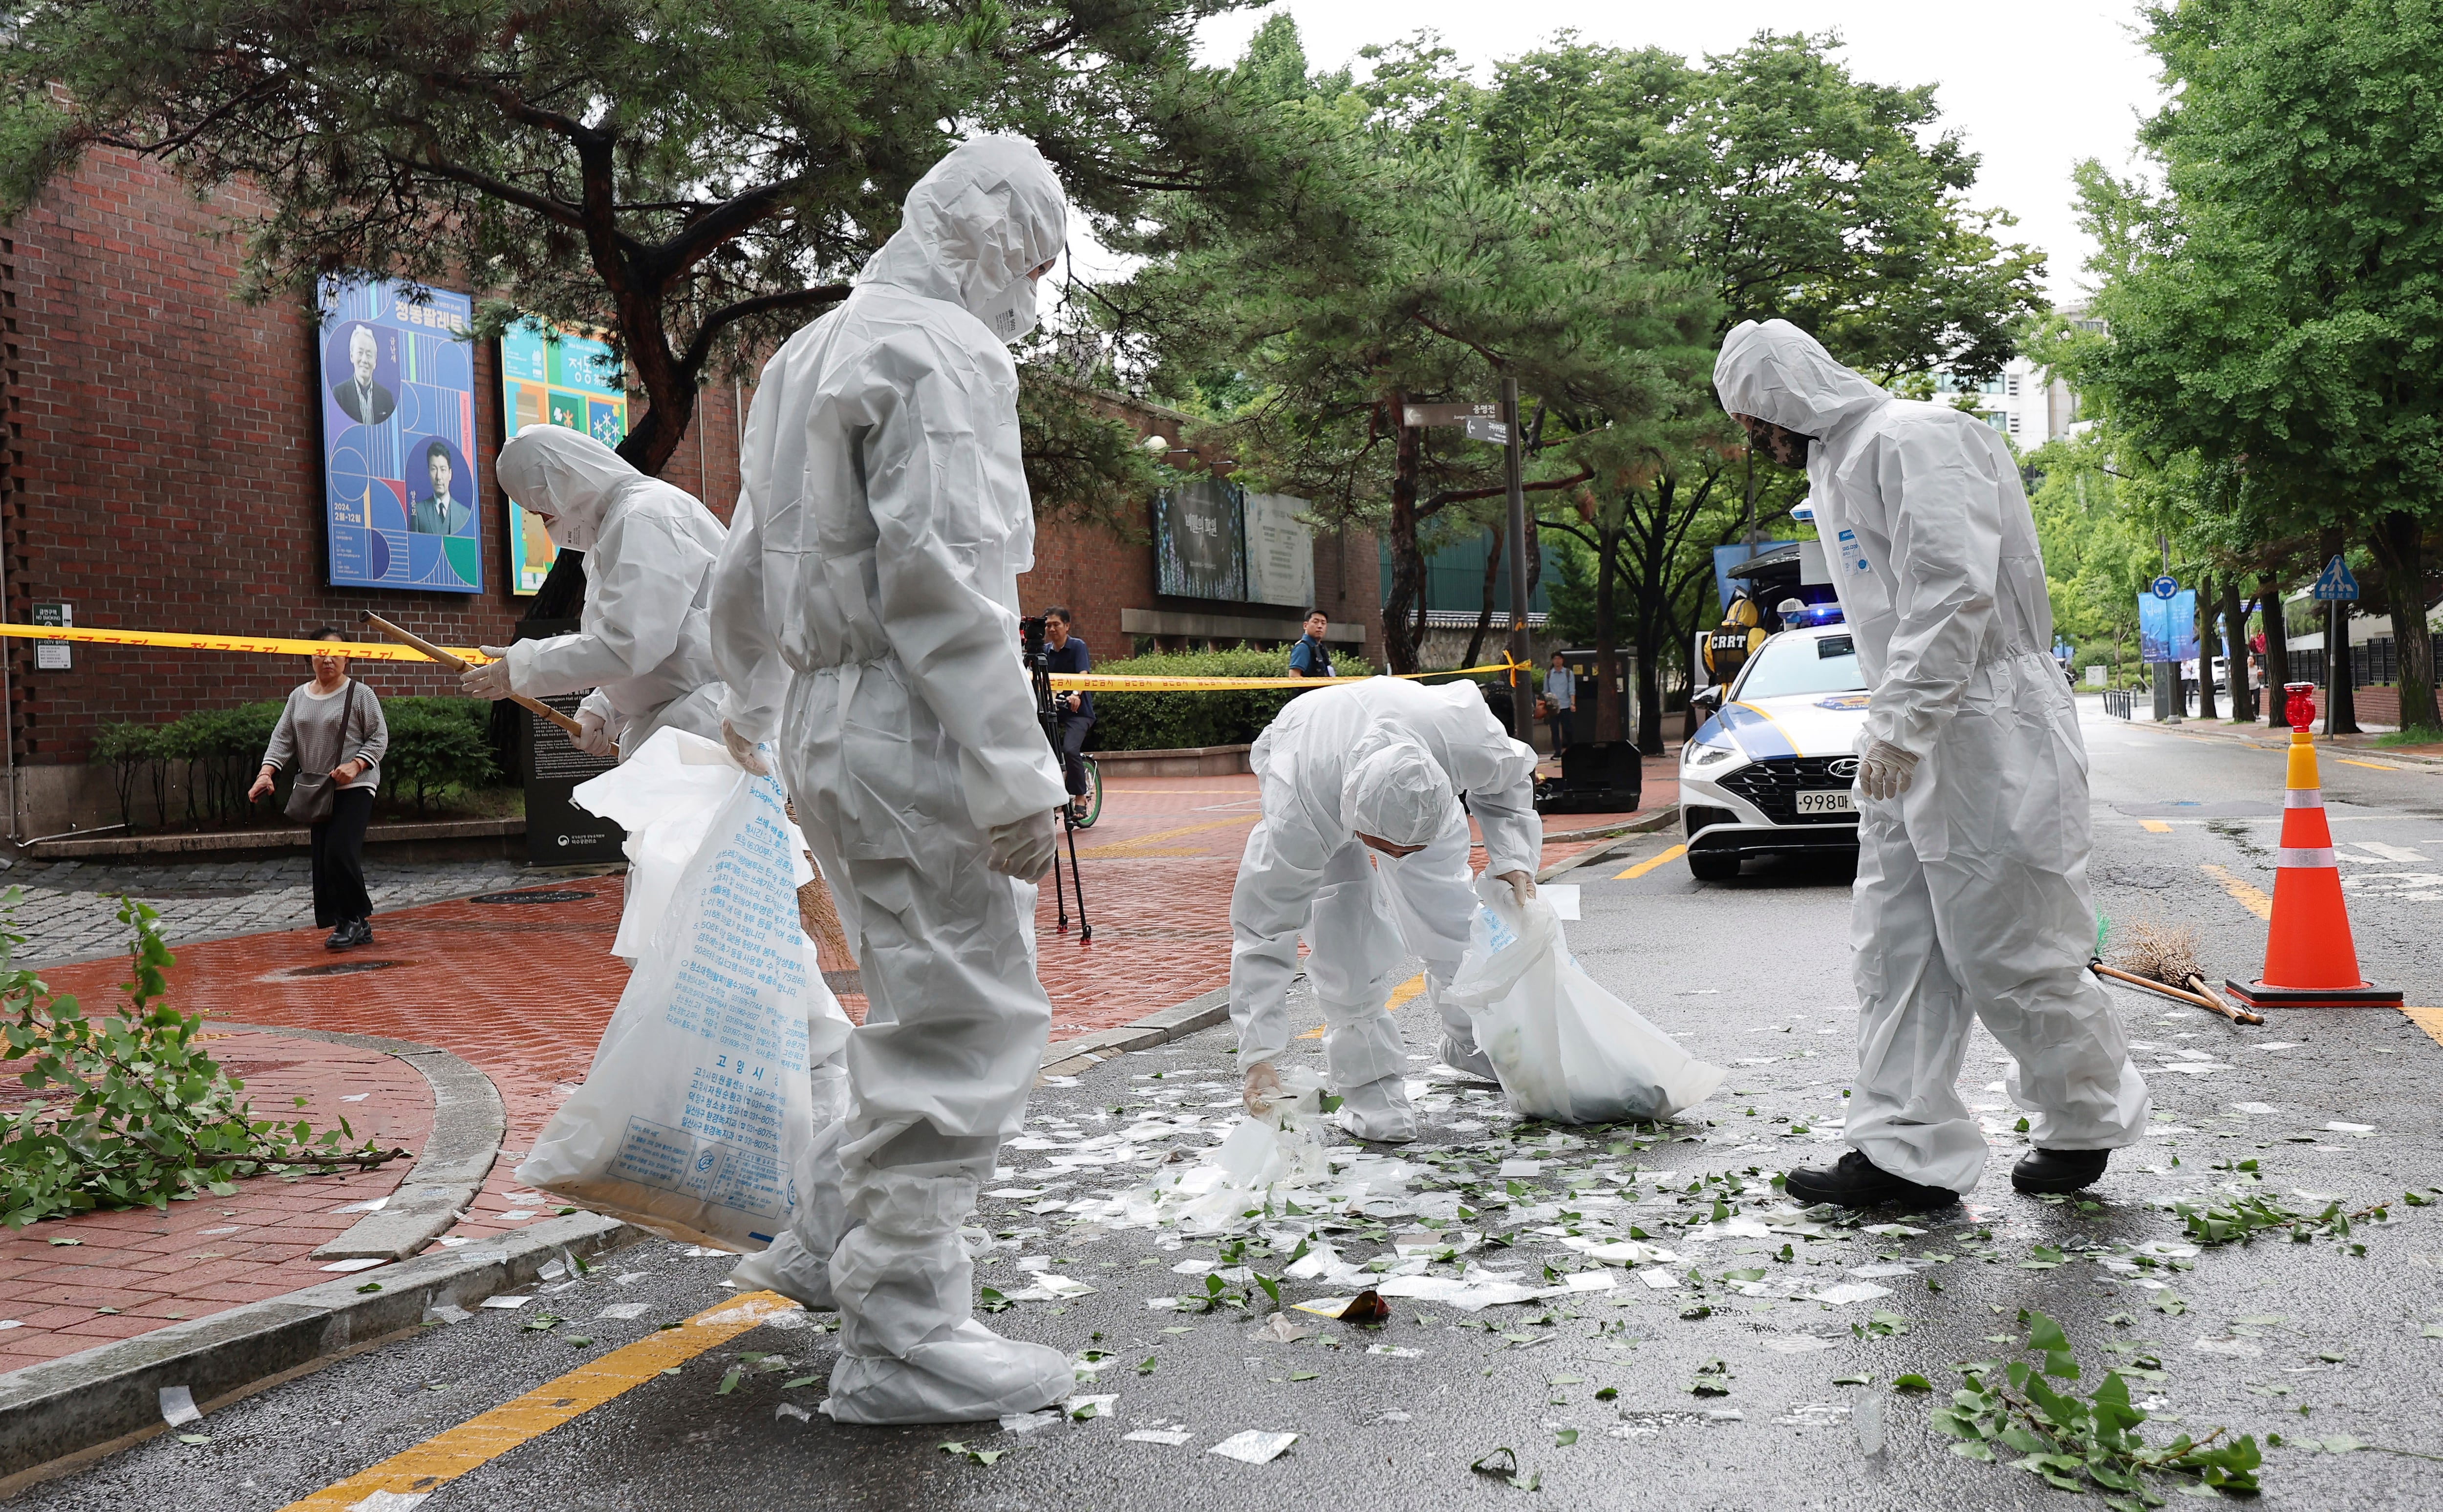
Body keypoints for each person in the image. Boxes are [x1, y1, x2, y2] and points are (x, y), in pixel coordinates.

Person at [707, 136, 1072, 1426]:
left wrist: (751, 706)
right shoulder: (945, 352)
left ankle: (826, 1238)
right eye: (1030, 259)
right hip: (911, 727)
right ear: (985, 234)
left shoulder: (806, 350)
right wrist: (1015, 769)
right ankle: (903, 1326)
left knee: (908, 998)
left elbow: (746, 564)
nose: (1031, 291)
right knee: (961, 1019)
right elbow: (948, 575)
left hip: (825, 715)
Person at [1713, 318, 2149, 1206]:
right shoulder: (1838, 463)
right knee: (1896, 943)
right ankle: (1902, 1150)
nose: (1756, 440)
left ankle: (2084, 1119)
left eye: (1757, 420)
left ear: (1787, 396)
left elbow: (1954, 585)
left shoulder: (1919, 437)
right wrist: (1899, 724)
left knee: (2010, 939)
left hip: (1992, 721)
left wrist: (1906, 721)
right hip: (1914, 723)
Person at [1231, 677, 1541, 1141]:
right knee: (1344, 940)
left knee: (1451, 921)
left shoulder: (1462, 740)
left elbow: (1511, 777)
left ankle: (1473, 1041)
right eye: (1386, 848)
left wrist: (1514, 858)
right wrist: (1259, 1057)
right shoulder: (1300, 810)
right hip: (1315, 761)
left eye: (1410, 847)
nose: (1397, 860)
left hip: (1414, 761)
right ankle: (1371, 1090)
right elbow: (1263, 928)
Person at [458, 425, 727, 763]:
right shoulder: (617, 532)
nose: (543, 521)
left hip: (708, 728)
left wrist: (527, 665)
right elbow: (651, 650)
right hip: (681, 732)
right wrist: (603, 710)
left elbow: (628, 646)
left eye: (538, 509)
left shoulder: (647, 516)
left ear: (559, 484)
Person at [250, 630, 390, 950]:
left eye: (335, 653)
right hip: (318, 789)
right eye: (319, 652)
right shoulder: (299, 697)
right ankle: (354, 922)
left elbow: (379, 737)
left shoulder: (360, 694)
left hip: (356, 786)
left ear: (348, 657)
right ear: (309, 657)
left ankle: (352, 920)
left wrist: (356, 765)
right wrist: (266, 773)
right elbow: (282, 740)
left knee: (340, 851)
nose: (327, 658)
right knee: (324, 858)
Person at [1041, 606, 1094, 821]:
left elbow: (1083, 674)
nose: (1051, 629)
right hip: (1053, 710)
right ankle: (1051, 798)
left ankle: (1080, 797)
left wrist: (1075, 694)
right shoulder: (1044, 651)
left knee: (1070, 750)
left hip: (1078, 712)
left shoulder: (1077, 647)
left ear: (1067, 626)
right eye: (1048, 625)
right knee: (1043, 751)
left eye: (1056, 624)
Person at [330, 325, 396, 426]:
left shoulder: (386, 398)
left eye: (369, 355)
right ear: (352, 356)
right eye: (360, 353)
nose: (364, 360)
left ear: (375, 362)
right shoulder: (339, 394)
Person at [1703, 590, 1766, 687]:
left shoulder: (1713, 635)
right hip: (1750, 690)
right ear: (1752, 614)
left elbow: (1712, 664)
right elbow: (1771, 660)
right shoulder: (1756, 635)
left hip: (1727, 694)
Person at [408, 441, 470, 536]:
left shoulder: (465, 515)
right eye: (434, 469)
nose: (438, 477)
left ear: (450, 474)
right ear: (429, 473)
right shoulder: (418, 512)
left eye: (443, 470)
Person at [1542, 650, 1575, 753]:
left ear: (1563, 660)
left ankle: (1571, 750)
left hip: (1565, 705)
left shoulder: (1568, 673)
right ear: (1552, 661)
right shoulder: (1548, 675)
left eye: (1559, 659)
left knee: (1568, 729)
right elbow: (1546, 692)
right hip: (1553, 708)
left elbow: (1572, 690)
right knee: (1554, 731)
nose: (1557, 661)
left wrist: (1573, 704)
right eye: (1555, 659)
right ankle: (1557, 752)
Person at [1288, 609, 1335, 678]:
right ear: (1305, 626)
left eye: (1323, 623)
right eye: (1316, 622)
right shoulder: (1303, 647)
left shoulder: (1320, 647)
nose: (1320, 626)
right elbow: (1294, 676)